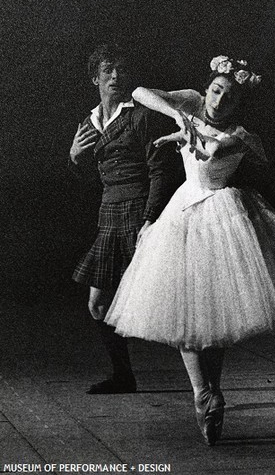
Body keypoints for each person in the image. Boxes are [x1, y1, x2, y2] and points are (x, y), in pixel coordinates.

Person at [104, 55, 275, 443]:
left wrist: (192, 134)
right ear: (207, 89)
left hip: (222, 216)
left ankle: (210, 393)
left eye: (228, 97)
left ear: (238, 104)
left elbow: (215, 152)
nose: (219, 101)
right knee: (181, 318)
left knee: (213, 322)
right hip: (182, 214)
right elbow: (138, 92)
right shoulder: (191, 101)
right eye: (216, 91)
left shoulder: (242, 134)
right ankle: (203, 392)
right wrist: (178, 116)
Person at [69, 43, 182, 394]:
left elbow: (159, 172)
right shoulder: (88, 122)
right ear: (95, 78)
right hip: (109, 217)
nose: (115, 76)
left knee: (168, 304)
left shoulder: (141, 116)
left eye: (121, 70)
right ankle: (123, 376)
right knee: (98, 302)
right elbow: (90, 181)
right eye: (107, 70)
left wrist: (149, 219)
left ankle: (202, 377)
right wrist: (75, 157)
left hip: (138, 214)